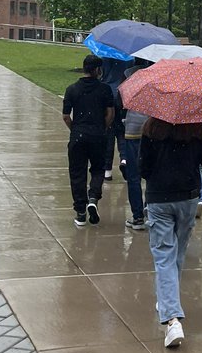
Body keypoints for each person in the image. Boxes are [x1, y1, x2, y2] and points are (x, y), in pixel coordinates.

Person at [140, 118, 202, 349]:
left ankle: (172, 319)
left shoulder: (151, 127)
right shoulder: (198, 126)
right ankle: (167, 301)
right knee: (177, 254)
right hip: (188, 198)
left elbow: (143, 169)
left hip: (159, 198)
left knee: (165, 256)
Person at [62, 55, 115, 227]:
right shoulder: (105, 89)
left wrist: (75, 129)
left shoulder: (72, 89)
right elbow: (110, 114)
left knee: (77, 173)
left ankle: (80, 212)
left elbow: (65, 116)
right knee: (98, 169)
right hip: (98, 135)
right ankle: (93, 197)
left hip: (78, 136)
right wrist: (102, 128)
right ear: (97, 70)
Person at [118, 60, 148, 231]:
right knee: (151, 174)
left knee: (133, 176)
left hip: (133, 131)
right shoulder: (159, 76)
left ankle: (138, 217)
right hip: (152, 130)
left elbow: (120, 101)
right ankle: (150, 209)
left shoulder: (129, 75)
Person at [99, 57, 128, 180]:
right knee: (122, 132)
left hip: (108, 94)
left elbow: (101, 74)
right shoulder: (128, 57)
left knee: (109, 133)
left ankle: (107, 170)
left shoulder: (105, 56)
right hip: (123, 95)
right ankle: (124, 159)